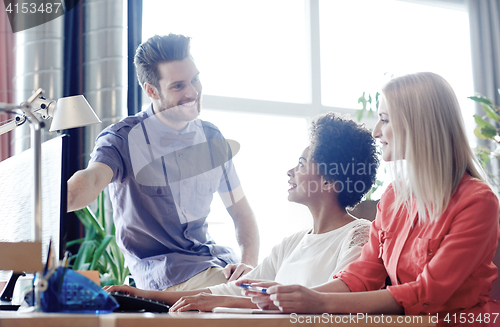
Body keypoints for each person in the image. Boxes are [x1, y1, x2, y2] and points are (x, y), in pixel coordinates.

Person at [241, 72, 500, 326]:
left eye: (385, 120)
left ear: (417, 125)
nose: (376, 131)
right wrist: (296, 298)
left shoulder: (478, 201)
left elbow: (426, 294)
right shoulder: (393, 198)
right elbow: (360, 277)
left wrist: (317, 302)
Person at [104, 112, 380, 312]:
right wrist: (142, 294)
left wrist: (222, 301)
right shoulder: (290, 245)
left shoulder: (358, 235)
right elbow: (233, 290)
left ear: (330, 180)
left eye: (302, 163)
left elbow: (340, 303)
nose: (290, 171)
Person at [66, 34, 259, 291]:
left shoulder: (212, 137)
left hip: (217, 264)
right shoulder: (122, 139)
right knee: (257, 301)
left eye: (195, 79)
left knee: (285, 287)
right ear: (151, 90)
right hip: (168, 274)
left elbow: (241, 212)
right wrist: (54, 200)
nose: (193, 92)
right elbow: (93, 178)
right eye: (178, 86)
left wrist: (248, 263)